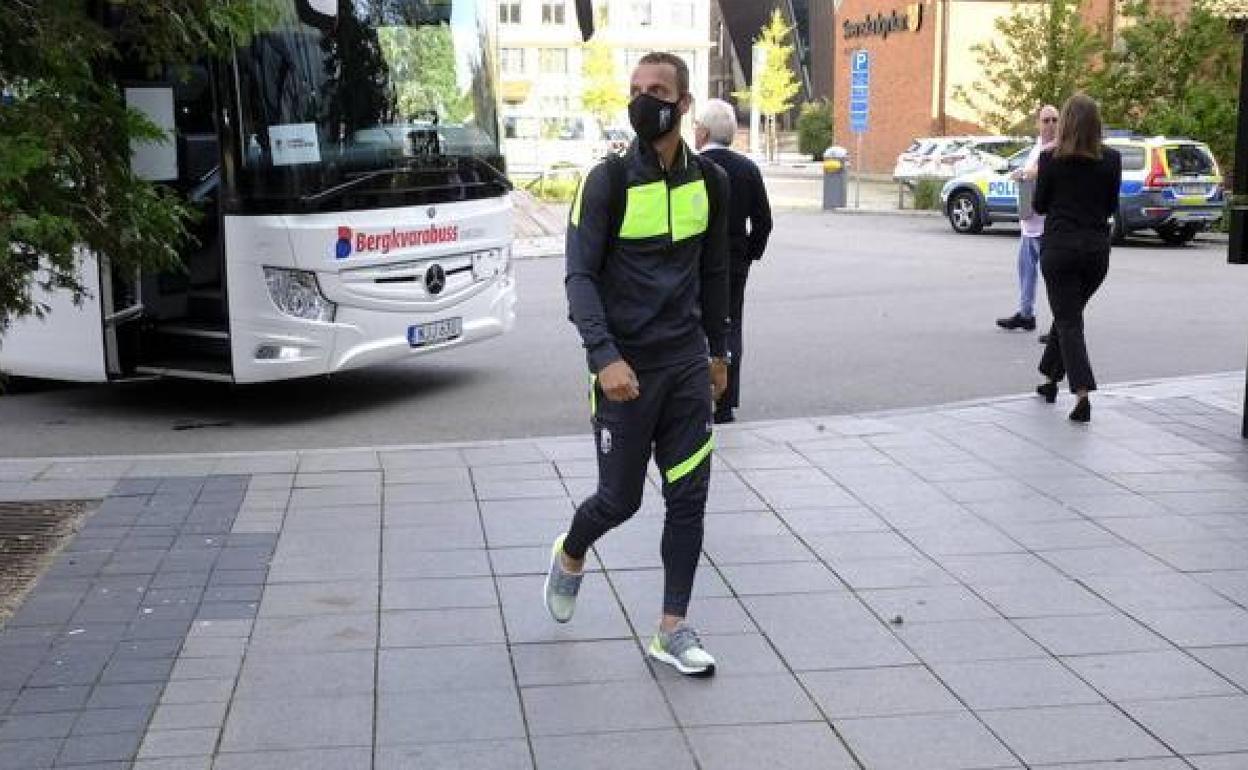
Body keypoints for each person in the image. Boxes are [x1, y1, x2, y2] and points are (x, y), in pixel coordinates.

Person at [545, 52, 730, 677]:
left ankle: (671, 628)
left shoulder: (711, 183)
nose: (641, 99)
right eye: (634, 89)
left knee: (690, 496)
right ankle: (572, 553)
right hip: (624, 369)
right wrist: (604, 358)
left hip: (683, 365)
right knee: (618, 501)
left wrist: (719, 350)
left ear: (683, 104)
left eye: (656, 90)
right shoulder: (606, 182)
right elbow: (578, 278)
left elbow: (715, 272)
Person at [1033, 93, 1122, 423]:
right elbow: (1111, 206)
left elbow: (1040, 206)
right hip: (1096, 255)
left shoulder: (1050, 158)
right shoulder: (1111, 159)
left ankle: (1082, 393)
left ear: (1066, 123)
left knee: (1068, 319)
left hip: (1060, 251)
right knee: (1067, 313)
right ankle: (1048, 379)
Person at [695, 99, 773, 424]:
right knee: (730, 326)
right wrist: (749, 253)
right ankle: (725, 403)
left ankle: (696, 397)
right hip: (734, 263)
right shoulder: (747, 169)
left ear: (703, 131)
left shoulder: (691, 169)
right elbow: (763, 221)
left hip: (696, 262)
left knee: (694, 326)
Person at [997, 104, 1058, 334]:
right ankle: (1026, 314)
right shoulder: (1037, 148)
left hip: (1048, 224)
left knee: (1054, 277)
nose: (1051, 124)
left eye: (1054, 120)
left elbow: (1039, 172)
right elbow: (1030, 173)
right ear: (1038, 124)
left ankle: (1059, 325)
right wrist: (1019, 174)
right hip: (1030, 222)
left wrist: (1026, 173)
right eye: (1046, 120)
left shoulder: (1058, 147)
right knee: (1026, 271)